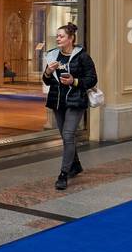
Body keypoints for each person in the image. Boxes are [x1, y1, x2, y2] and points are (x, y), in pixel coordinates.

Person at [42, 23, 97, 191]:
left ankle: (63, 174)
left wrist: (74, 81)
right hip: (58, 102)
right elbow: (46, 81)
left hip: (75, 101)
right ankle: (75, 165)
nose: (58, 38)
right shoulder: (53, 56)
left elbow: (92, 79)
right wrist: (48, 73)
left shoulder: (83, 56)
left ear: (71, 38)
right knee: (67, 138)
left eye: (62, 36)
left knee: (67, 135)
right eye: (57, 36)